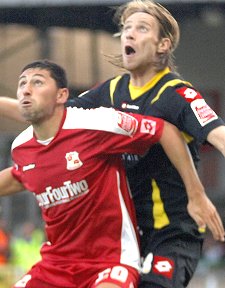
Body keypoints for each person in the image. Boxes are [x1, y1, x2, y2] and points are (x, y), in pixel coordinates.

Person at [0, 1, 224, 287]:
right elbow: (46, 112)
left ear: (163, 45)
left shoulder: (176, 94)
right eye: (126, 28)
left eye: (141, 29)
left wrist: (196, 195)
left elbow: (218, 135)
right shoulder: (110, 91)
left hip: (172, 230)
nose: (129, 34)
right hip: (128, 232)